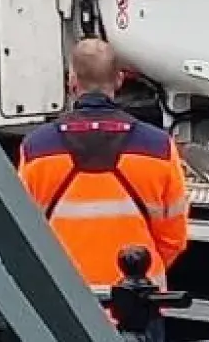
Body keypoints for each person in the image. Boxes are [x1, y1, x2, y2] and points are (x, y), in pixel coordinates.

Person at [17, 38, 189, 291]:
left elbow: (23, 232)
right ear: (119, 80)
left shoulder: (36, 149)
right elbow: (174, 238)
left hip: (64, 301)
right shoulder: (158, 147)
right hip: (137, 303)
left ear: (71, 82)